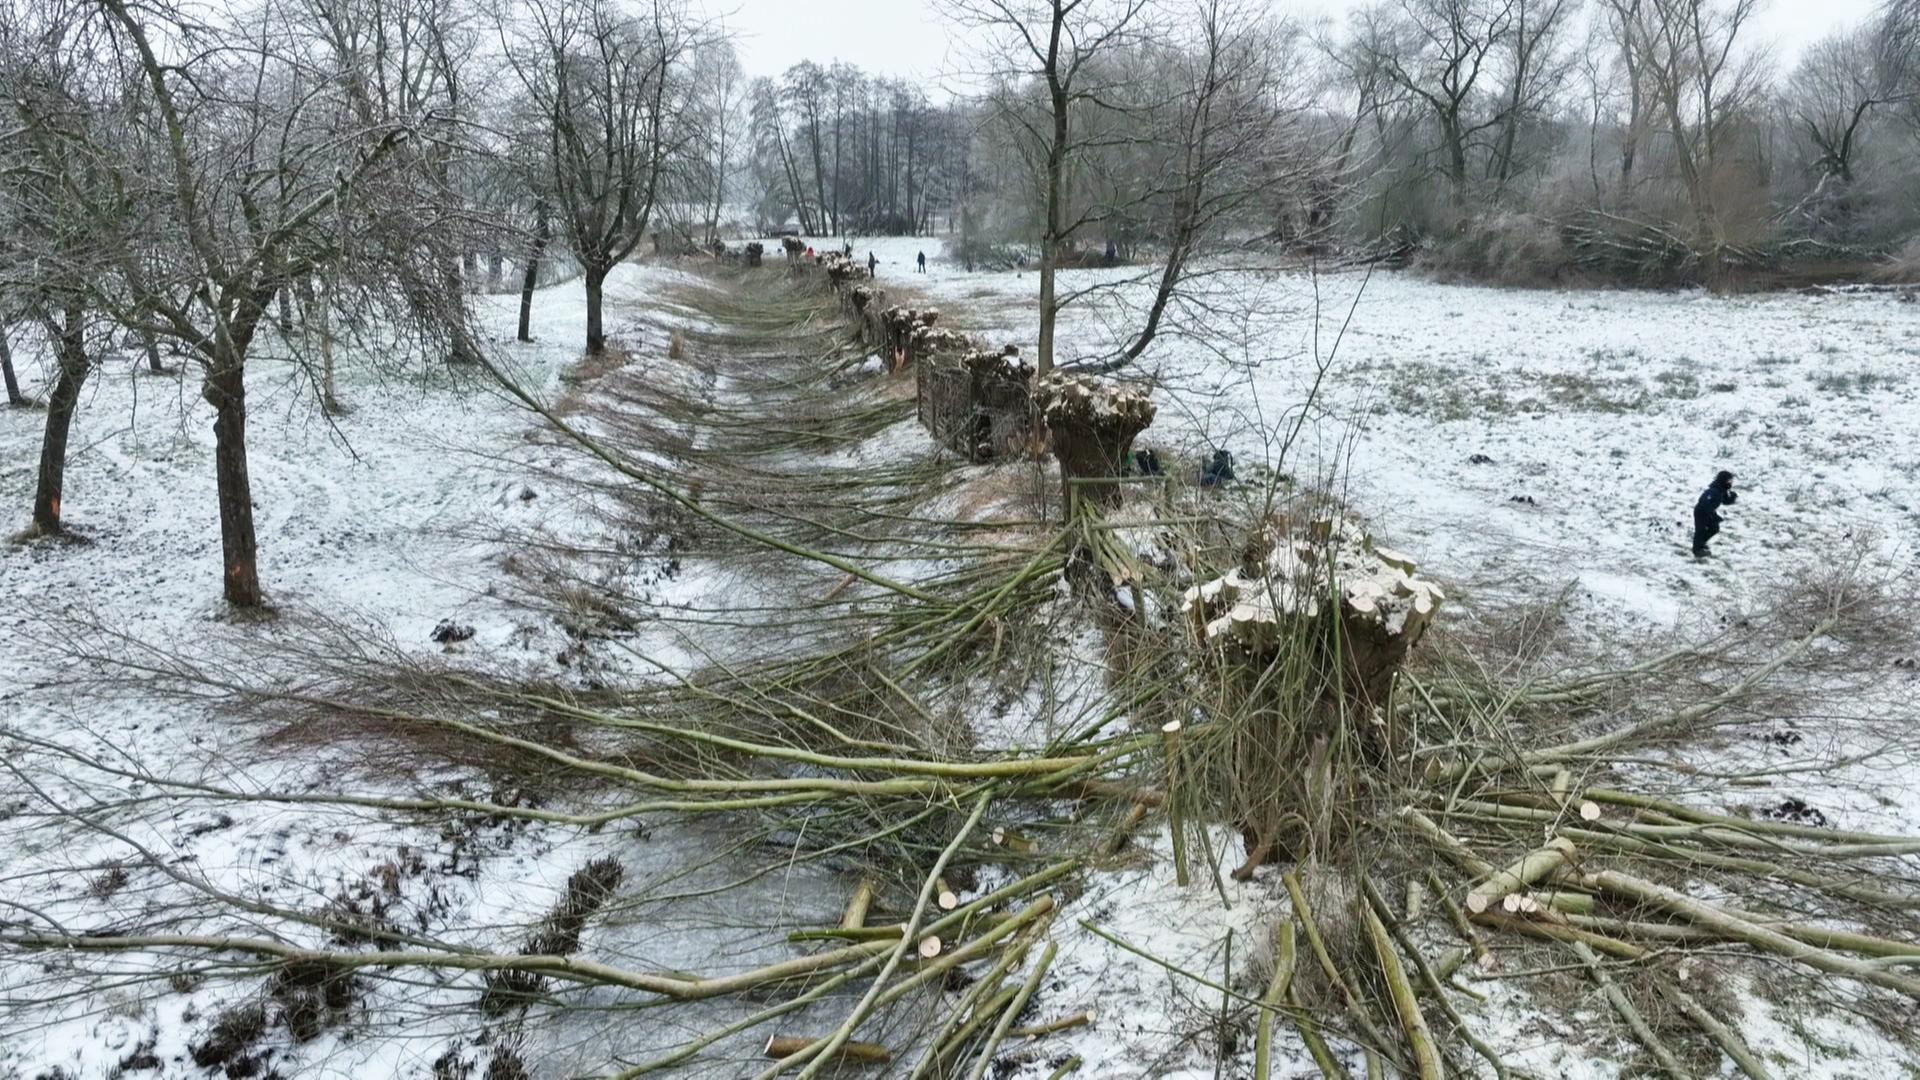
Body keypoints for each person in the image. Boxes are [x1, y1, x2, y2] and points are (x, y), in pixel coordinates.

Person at [1692, 469, 1738, 557]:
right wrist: (1713, 515)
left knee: (1714, 528)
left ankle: (1701, 543)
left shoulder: (1721, 490)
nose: (1731, 483)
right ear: (1723, 480)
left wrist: (1732, 497)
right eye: (1729, 481)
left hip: (1709, 512)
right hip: (1701, 512)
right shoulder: (1714, 491)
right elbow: (1703, 501)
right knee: (1700, 530)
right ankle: (1697, 550)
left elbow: (1725, 501)